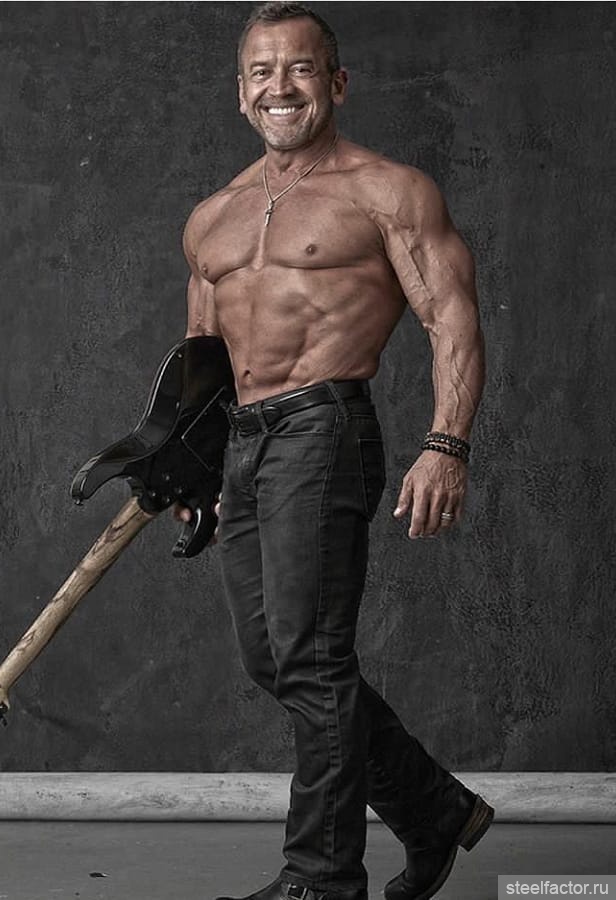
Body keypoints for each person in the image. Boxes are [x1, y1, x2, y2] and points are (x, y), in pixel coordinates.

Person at [177, 4, 490, 899]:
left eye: (301, 68)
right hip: (242, 445)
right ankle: (435, 811)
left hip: (324, 425)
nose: (280, 87)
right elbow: (202, 359)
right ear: (241, 93)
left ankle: (321, 878)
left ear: (337, 83)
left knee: (311, 658)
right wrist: (195, 471)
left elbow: (451, 318)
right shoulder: (212, 217)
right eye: (262, 72)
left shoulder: (387, 192)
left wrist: (446, 444)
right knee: (273, 659)